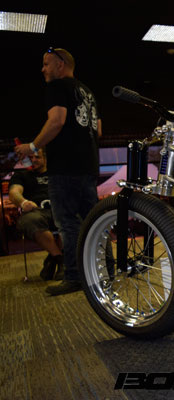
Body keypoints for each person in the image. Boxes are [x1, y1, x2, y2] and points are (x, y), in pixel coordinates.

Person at [15, 47, 100, 296]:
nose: (43, 69)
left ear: (60, 64)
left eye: (46, 64)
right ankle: (104, 269)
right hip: (88, 166)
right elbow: (98, 130)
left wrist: (32, 147)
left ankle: (74, 276)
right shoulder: (87, 92)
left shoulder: (57, 87)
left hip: (64, 168)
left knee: (68, 224)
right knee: (93, 221)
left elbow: (57, 121)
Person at [9, 148, 64, 280]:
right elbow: (14, 192)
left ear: (45, 159)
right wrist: (23, 202)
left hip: (60, 210)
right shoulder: (21, 175)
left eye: (37, 157)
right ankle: (61, 260)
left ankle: (53, 259)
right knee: (29, 221)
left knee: (70, 219)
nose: (33, 160)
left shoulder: (57, 174)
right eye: (30, 158)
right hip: (37, 212)